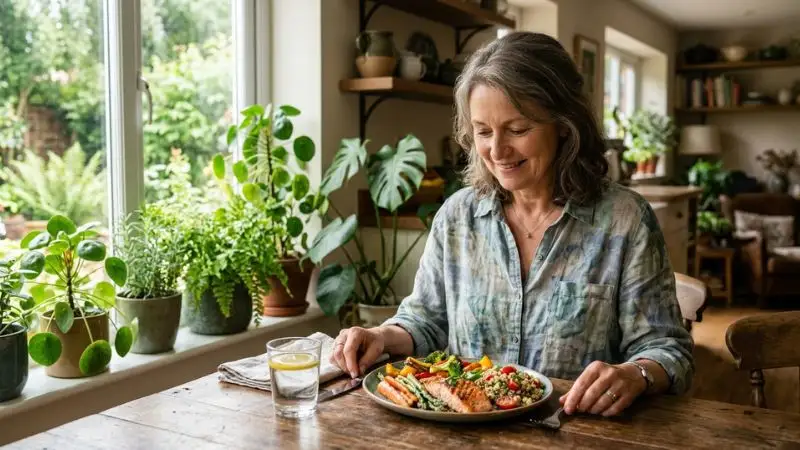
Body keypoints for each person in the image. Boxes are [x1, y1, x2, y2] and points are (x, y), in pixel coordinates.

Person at [331, 31, 694, 417]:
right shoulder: (458, 217)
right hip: (464, 436)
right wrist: (379, 335)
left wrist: (635, 373)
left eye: (518, 130)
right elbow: (426, 322)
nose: (497, 151)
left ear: (565, 125)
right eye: (483, 132)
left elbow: (669, 351)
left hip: (576, 432)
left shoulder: (625, 220)